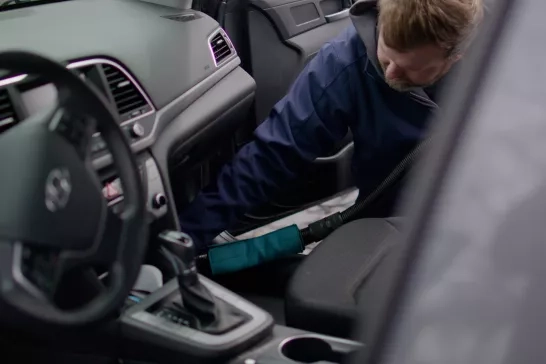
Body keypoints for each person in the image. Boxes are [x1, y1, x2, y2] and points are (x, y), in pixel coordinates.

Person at [180, 0, 485, 253]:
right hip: (384, 224)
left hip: (478, 215)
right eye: (386, 54)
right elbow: (272, 154)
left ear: (457, 57)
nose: (390, 73)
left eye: (411, 69)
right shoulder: (345, 60)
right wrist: (184, 240)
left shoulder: (504, 61)